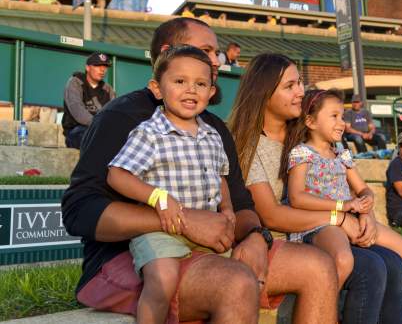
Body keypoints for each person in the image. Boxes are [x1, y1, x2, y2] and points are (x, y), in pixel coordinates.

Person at [62, 18, 338, 324]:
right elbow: (80, 211)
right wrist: (184, 221)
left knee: (319, 266)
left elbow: (241, 204)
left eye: (217, 53)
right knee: (235, 282)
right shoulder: (125, 116)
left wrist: (255, 237)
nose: (216, 61)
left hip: (212, 248)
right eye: (206, 51)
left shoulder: (213, 128)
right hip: (133, 257)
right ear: (169, 53)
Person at [228, 53, 402, 324]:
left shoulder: (307, 136)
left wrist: (364, 215)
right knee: (370, 268)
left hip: (325, 225)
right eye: (290, 86)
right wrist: (339, 218)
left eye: (299, 83)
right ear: (263, 93)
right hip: (283, 239)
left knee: (394, 263)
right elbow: (272, 216)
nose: (300, 91)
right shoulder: (249, 145)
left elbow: (342, 186)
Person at [105, 46, 234, 323]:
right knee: (162, 279)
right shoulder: (150, 133)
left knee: (234, 276)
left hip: (207, 228)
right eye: (179, 81)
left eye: (200, 84)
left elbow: (220, 176)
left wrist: (228, 211)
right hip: (162, 229)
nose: (191, 90)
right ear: (157, 88)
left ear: (211, 93)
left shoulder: (212, 134)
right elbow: (117, 174)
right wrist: (159, 198)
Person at [283, 89, 402, 288]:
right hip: (323, 222)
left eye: (343, 117)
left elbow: (363, 188)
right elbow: (297, 197)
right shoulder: (302, 153)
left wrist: (367, 204)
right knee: (343, 260)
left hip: (351, 216)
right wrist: (344, 206)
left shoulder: (341, 154)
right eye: (334, 116)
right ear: (310, 122)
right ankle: (331, 303)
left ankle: (377, 298)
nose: (342, 123)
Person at [61, 52, 116, 149]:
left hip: (101, 131)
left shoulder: (108, 89)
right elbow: (78, 111)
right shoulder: (75, 82)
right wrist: (100, 125)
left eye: (105, 66)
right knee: (92, 138)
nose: (102, 69)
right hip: (77, 130)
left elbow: (113, 115)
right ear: (87, 68)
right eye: (98, 65)